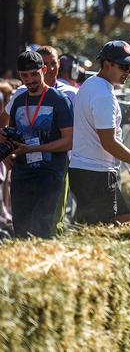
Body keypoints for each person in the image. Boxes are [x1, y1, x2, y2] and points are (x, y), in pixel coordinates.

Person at [69, 41, 130, 224]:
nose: (129, 71)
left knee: (119, 221)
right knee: (101, 233)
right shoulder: (103, 94)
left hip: (87, 170)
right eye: (124, 66)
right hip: (96, 174)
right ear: (106, 65)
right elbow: (109, 142)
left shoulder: (91, 84)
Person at [1, 51, 73, 238]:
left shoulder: (59, 100)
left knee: (45, 233)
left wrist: (34, 149)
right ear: (19, 75)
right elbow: (12, 134)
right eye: (25, 75)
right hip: (22, 175)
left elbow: (68, 141)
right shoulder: (18, 100)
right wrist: (8, 153)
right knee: (22, 233)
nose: (30, 80)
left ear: (44, 70)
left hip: (50, 176)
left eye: (34, 74)